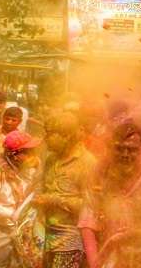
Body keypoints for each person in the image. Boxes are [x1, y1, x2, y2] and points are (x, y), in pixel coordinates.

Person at [78, 122, 141, 268]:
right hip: (112, 260)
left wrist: (138, 234)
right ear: (111, 147)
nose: (125, 155)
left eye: (131, 150)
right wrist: (94, 262)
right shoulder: (101, 171)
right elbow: (88, 219)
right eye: (119, 149)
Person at [0, 130, 42, 267]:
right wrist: (11, 213)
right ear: (14, 154)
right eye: (27, 152)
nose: (33, 155)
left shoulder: (22, 166)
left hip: (16, 226)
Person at [37, 113, 96, 268]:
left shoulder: (87, 163)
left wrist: (55, 200)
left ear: (67, 136)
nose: (46, 139)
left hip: (70, 240)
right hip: (46, 237)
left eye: (50, 134)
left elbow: (92, 208)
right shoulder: (51, 158)